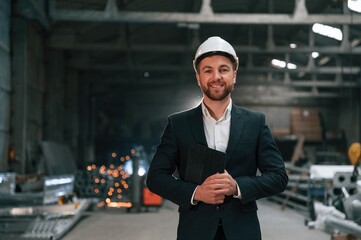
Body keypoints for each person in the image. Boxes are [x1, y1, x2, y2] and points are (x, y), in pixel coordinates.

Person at [146, 36, 288, 240]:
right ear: (198, 78)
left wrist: (237, 187)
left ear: (234, 76)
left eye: (223, 69)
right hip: (195, 231)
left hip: (242, 231)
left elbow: (278, 176)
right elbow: (156, 178)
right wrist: (197, 193)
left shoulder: (255, 122)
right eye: (208, 70)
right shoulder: (178, 124)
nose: (216, 76)